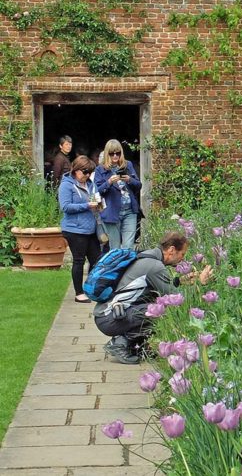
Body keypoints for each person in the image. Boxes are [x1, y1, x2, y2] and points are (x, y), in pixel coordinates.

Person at [94, 231, 213, 364]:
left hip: (110, 314)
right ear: (172, 250)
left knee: (156, 305)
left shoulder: (147, 257)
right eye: (182, 254)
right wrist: (201, 283)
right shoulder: (154, 266)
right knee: (161, 311)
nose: (183, 259)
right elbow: (176, 299)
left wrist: (180, 281)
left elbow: (152, 286)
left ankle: (135, 346)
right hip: (111, 318)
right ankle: (120, 343)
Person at [58, 155, 101, 303]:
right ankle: (79, 293)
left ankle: (91, 288)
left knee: (97, 260)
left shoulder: (91, 184)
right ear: (75, 170)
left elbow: (96, 199)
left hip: (91, 228)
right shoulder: (67, 185)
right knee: (79, 261)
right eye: (84, 172)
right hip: (74, 229)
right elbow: (65, 207)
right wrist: (86, 206)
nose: (87, 175)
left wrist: (100, 205)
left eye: (89, 172)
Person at [94, 140, 141, 250]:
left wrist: (130, 180)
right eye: (112, 153)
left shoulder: (127, 165)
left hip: (129, 210)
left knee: (128, 246)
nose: (115, 156)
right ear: (107, 154)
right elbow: (98, 191)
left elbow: (138, 185)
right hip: (112, 211)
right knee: (115, 247)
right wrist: (109, 182)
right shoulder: (100, 169)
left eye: (118, 153)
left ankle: (127, 267)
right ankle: (117, 267)